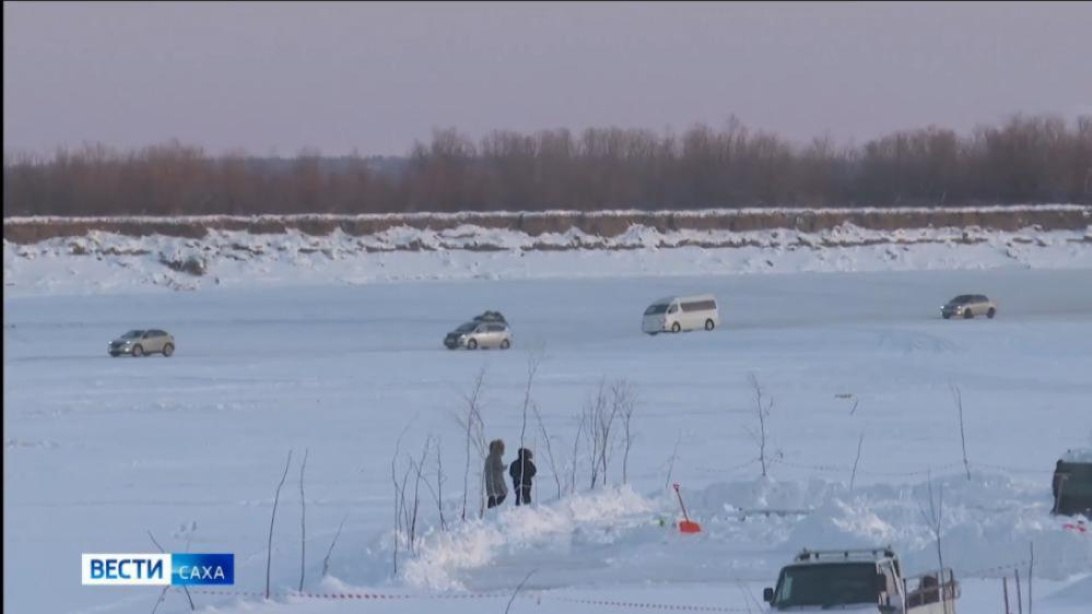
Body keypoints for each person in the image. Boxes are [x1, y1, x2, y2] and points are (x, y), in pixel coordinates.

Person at [484, 439, 508, 509]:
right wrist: (504, 467)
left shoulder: (489, 457)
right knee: (502, 494)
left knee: (492, 495)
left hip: (490, 478)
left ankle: (491, 509)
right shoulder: (496, 456)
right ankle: (493, 507)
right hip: (496, 480)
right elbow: (499, 467)